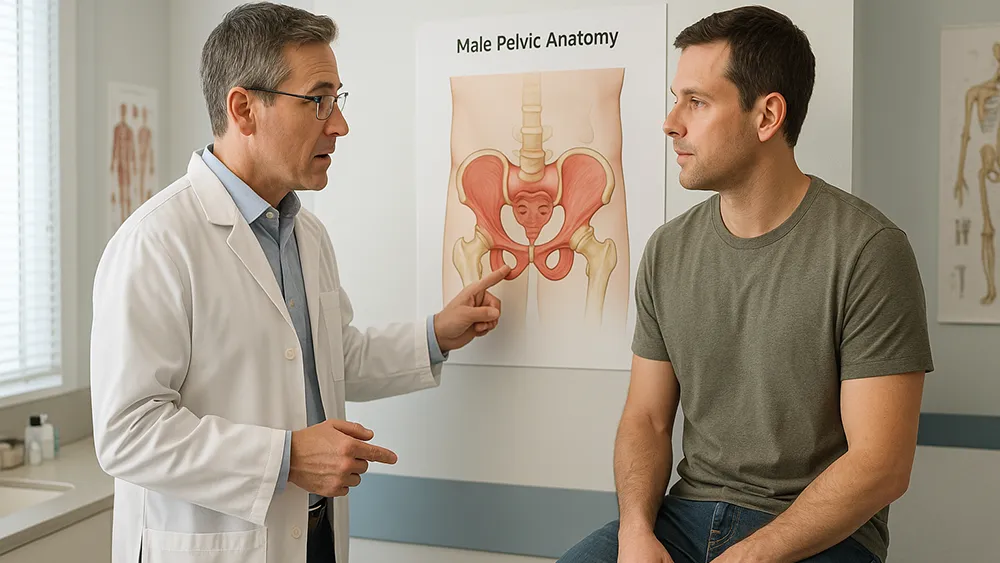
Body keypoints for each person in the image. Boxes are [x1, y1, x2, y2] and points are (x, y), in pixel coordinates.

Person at [89, 4, 510, 563]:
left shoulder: (305, 234)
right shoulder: (157, 242)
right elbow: (127, 433)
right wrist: (284, 457)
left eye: (338, 100)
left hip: (312, 537)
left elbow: (330, 357)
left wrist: (437, 334)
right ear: (244, 109)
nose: (339, 124)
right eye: (318, 100)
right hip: (214, 546)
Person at [557, 6, 933, 563]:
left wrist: (751, 556)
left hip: (818, 531)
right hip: (683, 517)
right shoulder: (667, 251)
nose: (670, 122)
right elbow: (647, 418)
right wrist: (636, 530)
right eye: (675, 98)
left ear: (767, 116)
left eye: (697, 102)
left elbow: (881, 464)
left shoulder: (869, 250)